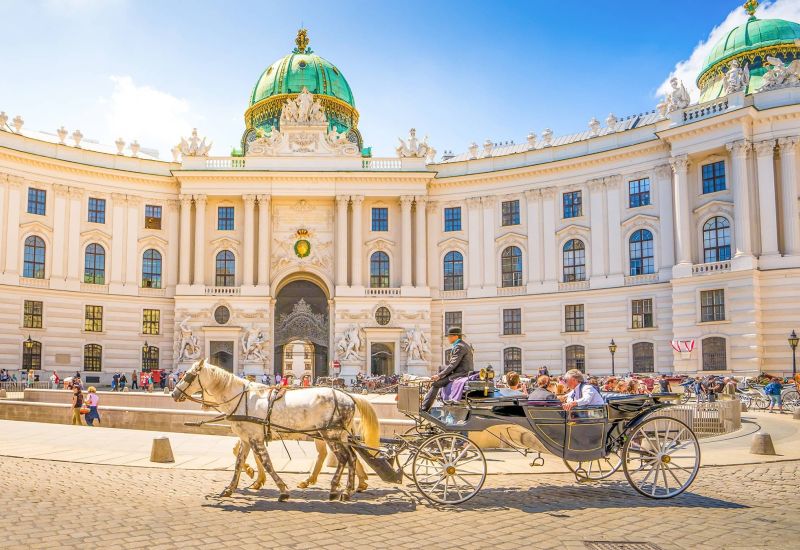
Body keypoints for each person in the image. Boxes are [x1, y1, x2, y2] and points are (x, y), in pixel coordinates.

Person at [421, 327, 474, 411]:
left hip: (461, 373)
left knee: (436, 384)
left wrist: (439, 376)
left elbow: (452, 365)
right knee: (441, 368)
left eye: (449, 336)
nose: (448, 338)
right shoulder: (463, 345)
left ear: (455, 336)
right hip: (462, 371)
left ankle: (424, 408)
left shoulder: (459, 347)